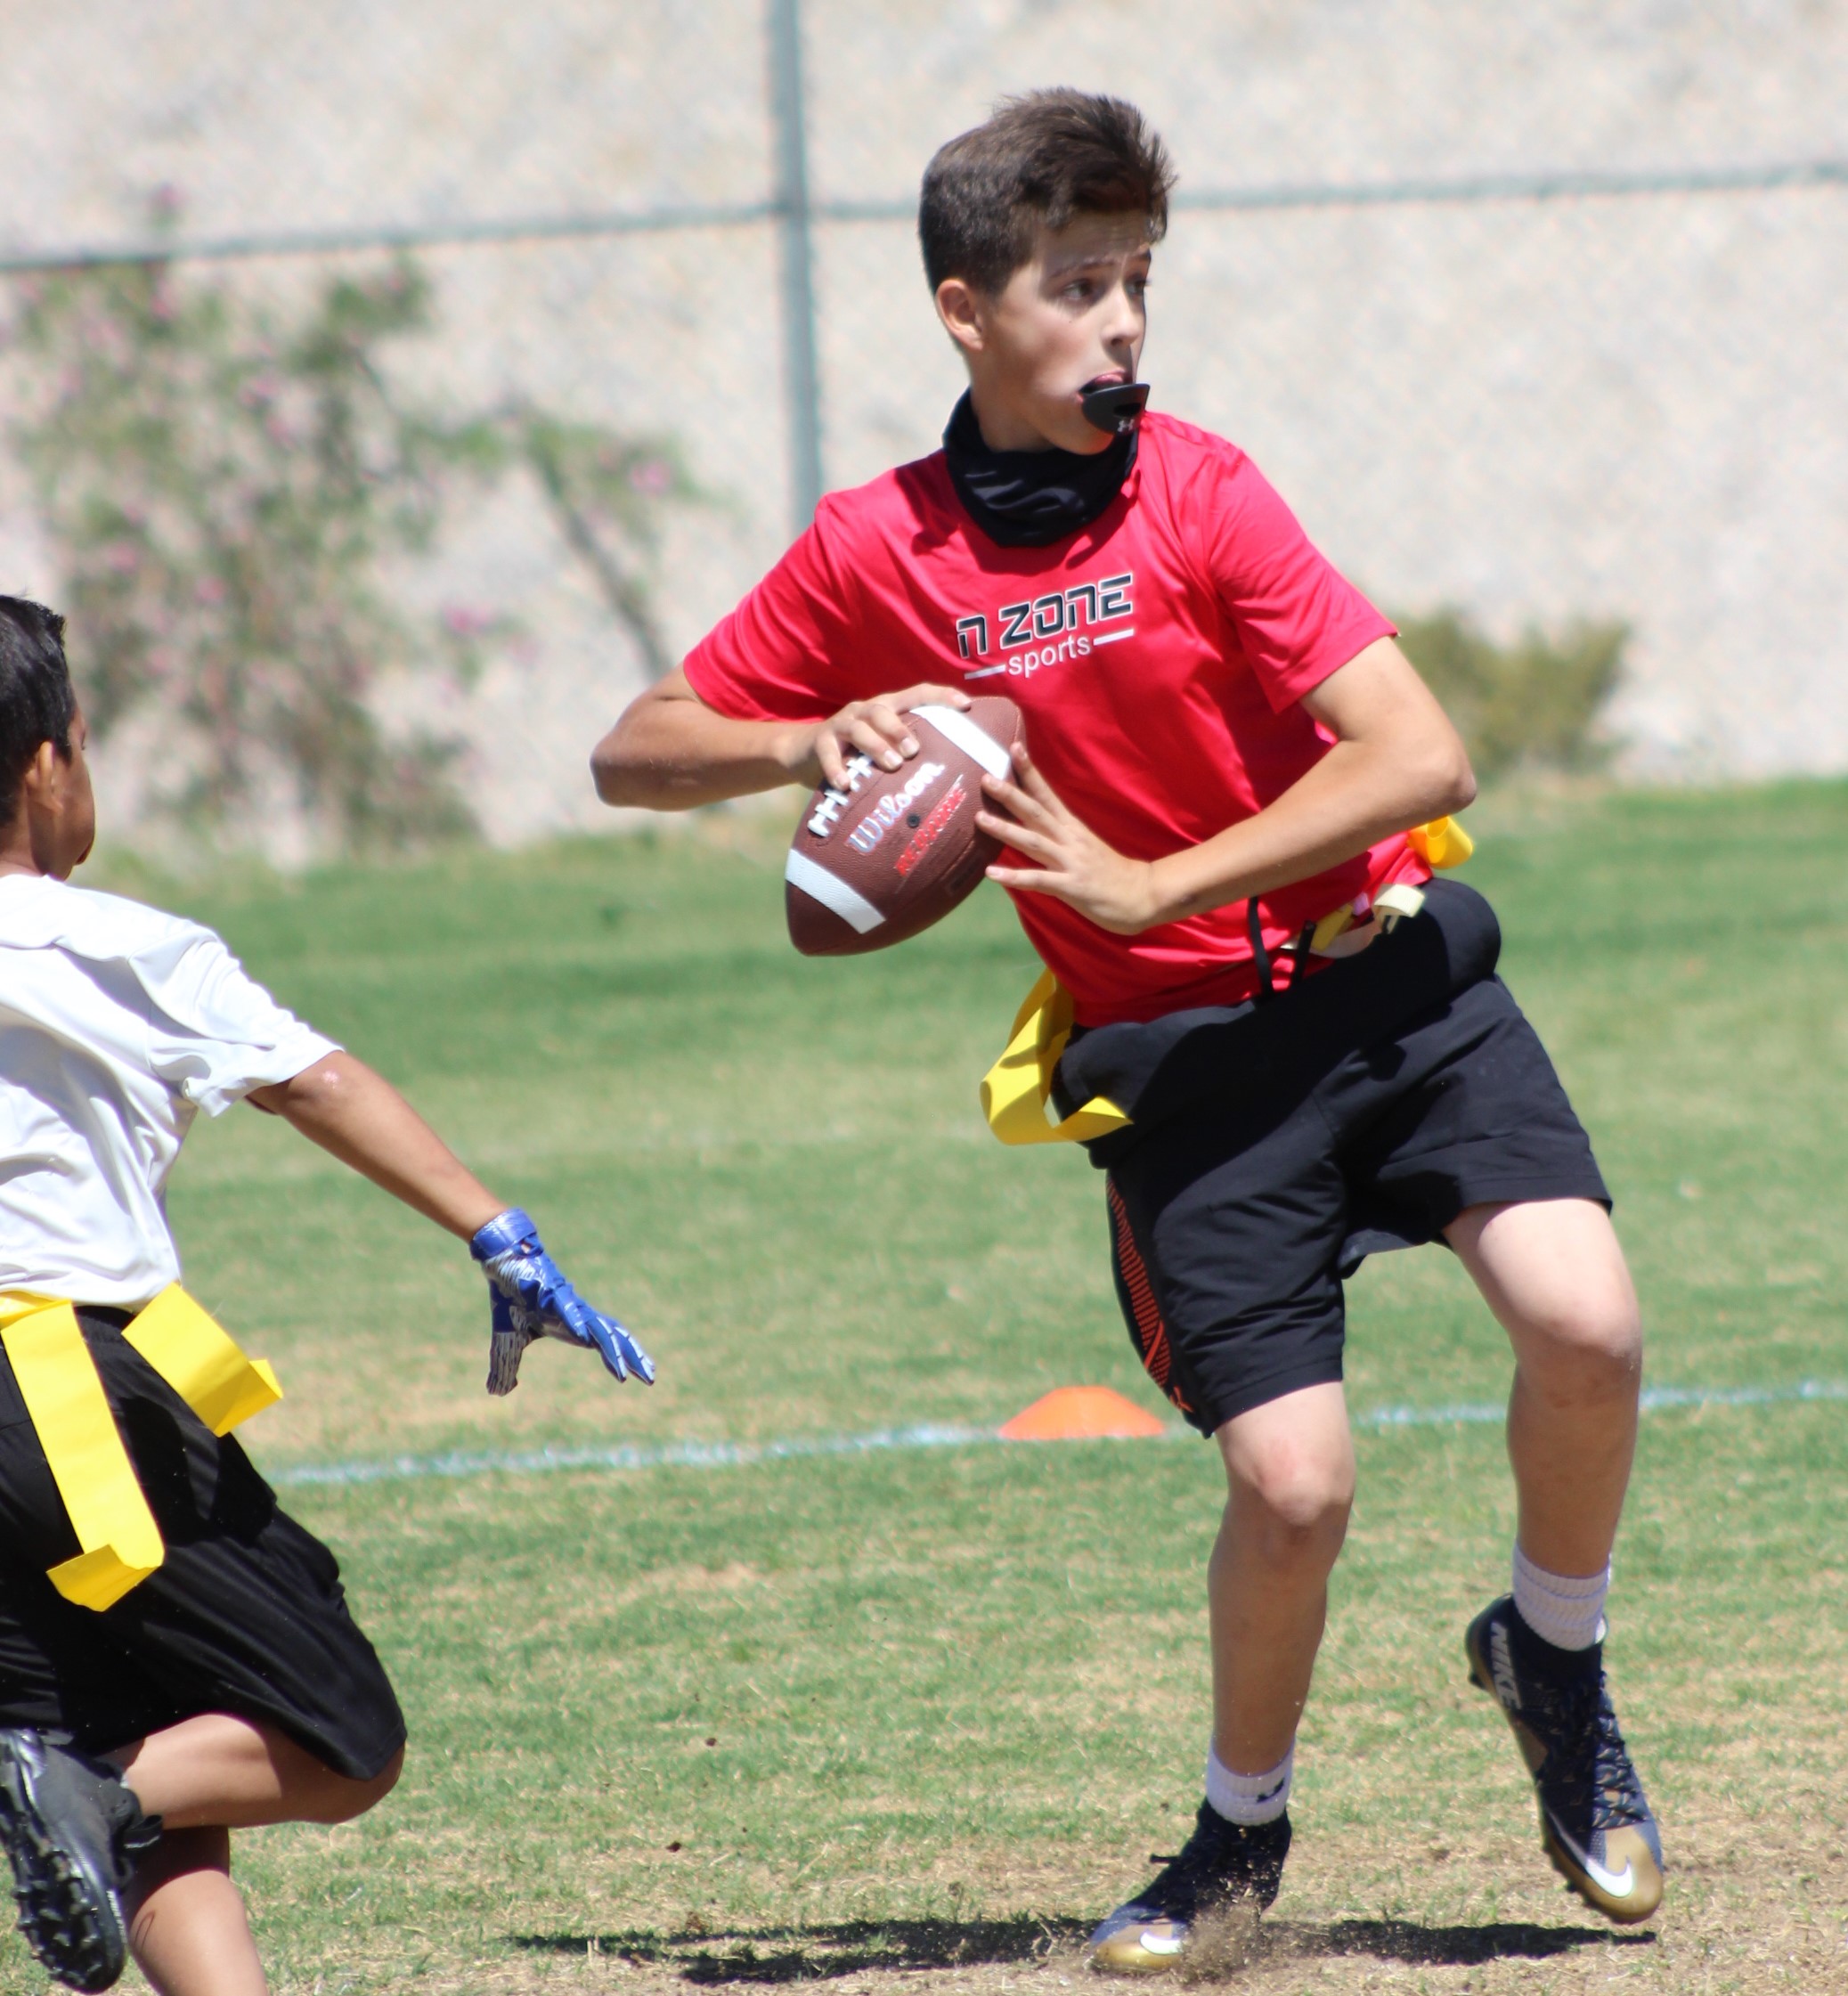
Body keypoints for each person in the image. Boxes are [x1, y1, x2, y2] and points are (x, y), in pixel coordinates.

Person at [590, 89, 1660, 1968]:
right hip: (1185, 1070)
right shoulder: (876, 549)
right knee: (1293, 1485)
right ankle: (1237, 1832)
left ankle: (1552, 1656)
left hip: (1390, 985)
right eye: (1077, 285)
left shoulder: (1202, 491)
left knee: (1588, 1324)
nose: (1123, 324)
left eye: (1137, 281)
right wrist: (803, 735)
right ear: (965, 310)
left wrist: (1165, 879)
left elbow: (1422, 753)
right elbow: (633, 749)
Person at [0, 595, 655, 1995]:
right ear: (49, 761)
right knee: (337, 1730)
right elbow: (312, 1079)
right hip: (61, 1404)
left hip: (57, 1410)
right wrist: (500, 1235)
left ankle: (87, 1793)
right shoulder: (120, 946)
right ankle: (84, 1790)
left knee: (147, 1722)